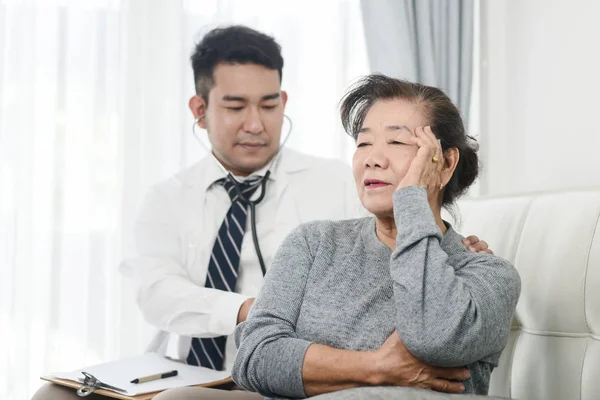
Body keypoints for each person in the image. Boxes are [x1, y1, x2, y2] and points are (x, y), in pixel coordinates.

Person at [32, 28, 492, 400]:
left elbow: (402, 225)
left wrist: (455, 251)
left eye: (269, 105)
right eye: (235, 106)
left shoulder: (336, 182)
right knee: (53, 395)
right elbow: (157, 292)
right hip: (190, 366)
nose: (255, 123)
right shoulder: (167, 197)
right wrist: (262, 308)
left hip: (300, 370)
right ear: (200, 110)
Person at [230, 75, 521, 399]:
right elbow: (253, 358)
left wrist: (412, 199)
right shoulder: (312, 243)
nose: (372, 158)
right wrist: (377, 368)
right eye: (364, 143)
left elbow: (434, 337)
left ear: (445, 163)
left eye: (396, 143)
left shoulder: (488, 275)